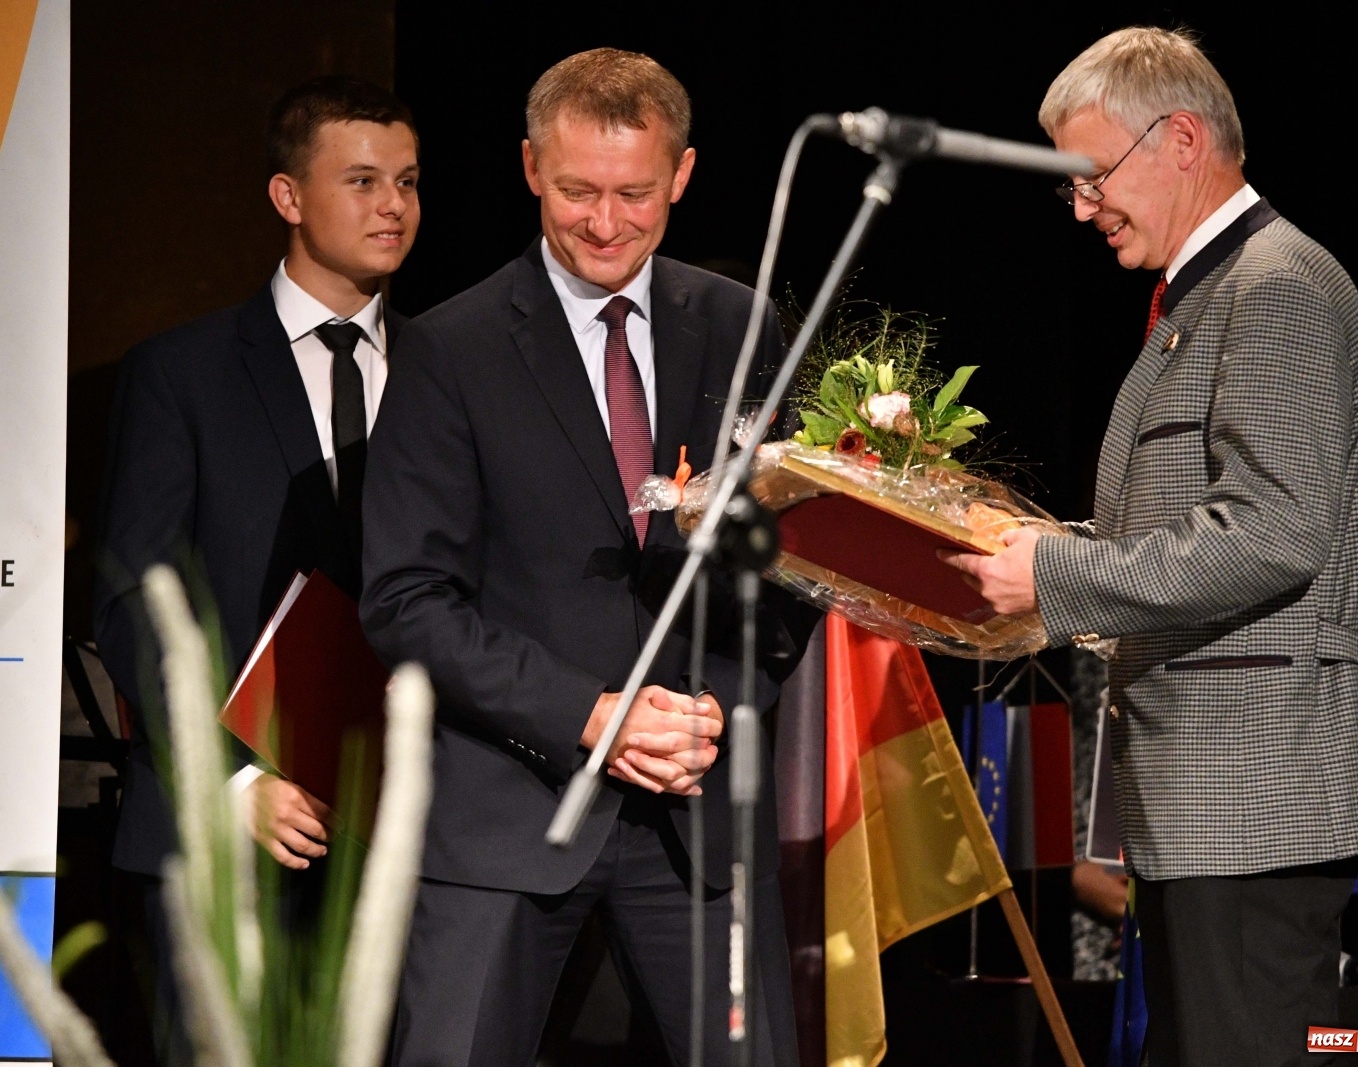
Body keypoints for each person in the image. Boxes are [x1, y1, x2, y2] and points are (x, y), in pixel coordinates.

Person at [940, 27, 1358, 1067]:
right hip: (1212, 800)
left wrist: (1053, 572)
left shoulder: (1275, 284)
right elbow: (1190, 529)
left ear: (1182, 138)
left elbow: (1275, 530)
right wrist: (1008, 541)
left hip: (1256, 792)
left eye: (1091, 173)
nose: (1079, 204)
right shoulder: (1206, 298)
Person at [362, 48, 815, 1067]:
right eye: (576, 192)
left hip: (693, 813)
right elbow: (406, 601)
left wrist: (708, 706)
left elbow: (788, 569)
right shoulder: (449, 347)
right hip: (502, 816)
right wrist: (593, 714)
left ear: (682, 176)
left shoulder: (741, 327)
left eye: (633, 194)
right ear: (529, 168)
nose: (604, 223)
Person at [92, 75, 420, 1062]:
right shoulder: (180, 373)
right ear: (287, 197)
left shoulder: (450, 370)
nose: (392, 206)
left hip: (402, 845)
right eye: (361, 180)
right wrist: (231, 779)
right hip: (224, 840)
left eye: (407, 180)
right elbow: (131, 607)